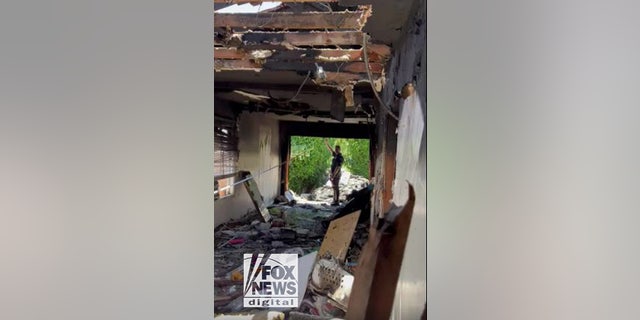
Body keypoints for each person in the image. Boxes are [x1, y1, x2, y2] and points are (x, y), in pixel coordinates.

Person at [324, 138, 344, 206]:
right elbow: (331, 150)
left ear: (339, 150)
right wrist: (327, 143)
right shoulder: (335, 155)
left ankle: (337, 201)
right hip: (333, 174)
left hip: (337, 174)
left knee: (336, 187)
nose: (335, 150)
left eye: (337, 149)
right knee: (334, 187)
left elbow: (338, 167)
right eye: (335, 149)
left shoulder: (340, 157)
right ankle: (334, 200)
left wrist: (333, 175)